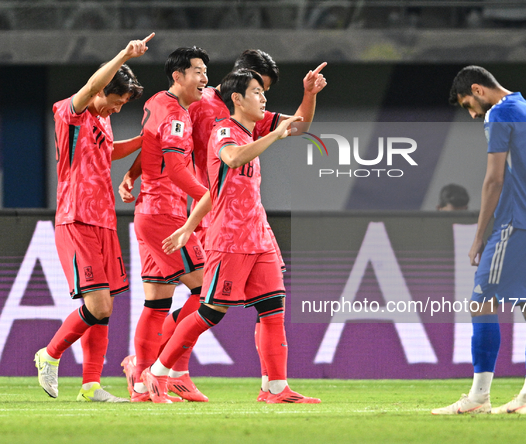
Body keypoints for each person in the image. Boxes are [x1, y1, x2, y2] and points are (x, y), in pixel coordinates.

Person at [119, 50, 326, 402]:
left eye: (266, 92)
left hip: (249, 225)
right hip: (214, 220)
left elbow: (299, 125)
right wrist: (140, 176)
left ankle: (274, 387)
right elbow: (172, 145)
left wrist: (310, 94)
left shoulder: (249, 121)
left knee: (271, 304)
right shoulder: (207, 115)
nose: (265, 98)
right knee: (204, 305)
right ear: (240, 89)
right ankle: (155, 369)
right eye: (260, 90)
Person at [432, 66, 526, 415]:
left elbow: (493, 180)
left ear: (478, 89)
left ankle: (478, 397)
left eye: (468, 104)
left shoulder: (499, 113)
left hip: (515, 222)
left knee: (481, 303)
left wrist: (479, 236)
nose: (473, 113)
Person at [34, 33, 153, 402]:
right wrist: (124, 54)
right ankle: (49, 354)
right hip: (76, 218)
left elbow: (108, 153)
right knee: (96, 305)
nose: (116, 109)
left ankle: (91, 385)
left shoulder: (102, 122)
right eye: (115, 102)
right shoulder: (70, 112)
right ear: (102, 91)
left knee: (106, 308)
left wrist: (146, 139)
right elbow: (90, 86)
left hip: (104, 220)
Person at [128, 46, 210, 402]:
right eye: (198, 72)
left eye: (206, 72)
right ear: (178, 76)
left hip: (148, 211)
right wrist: (210, 194)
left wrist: (130, 175)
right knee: (209, 292)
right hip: (166, 215)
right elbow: (175, 168)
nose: (204, 79)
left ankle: (141, 382)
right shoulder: (177, 114)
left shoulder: (157, 102)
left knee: (157, 303)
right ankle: (162, 370)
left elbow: (149, 147)